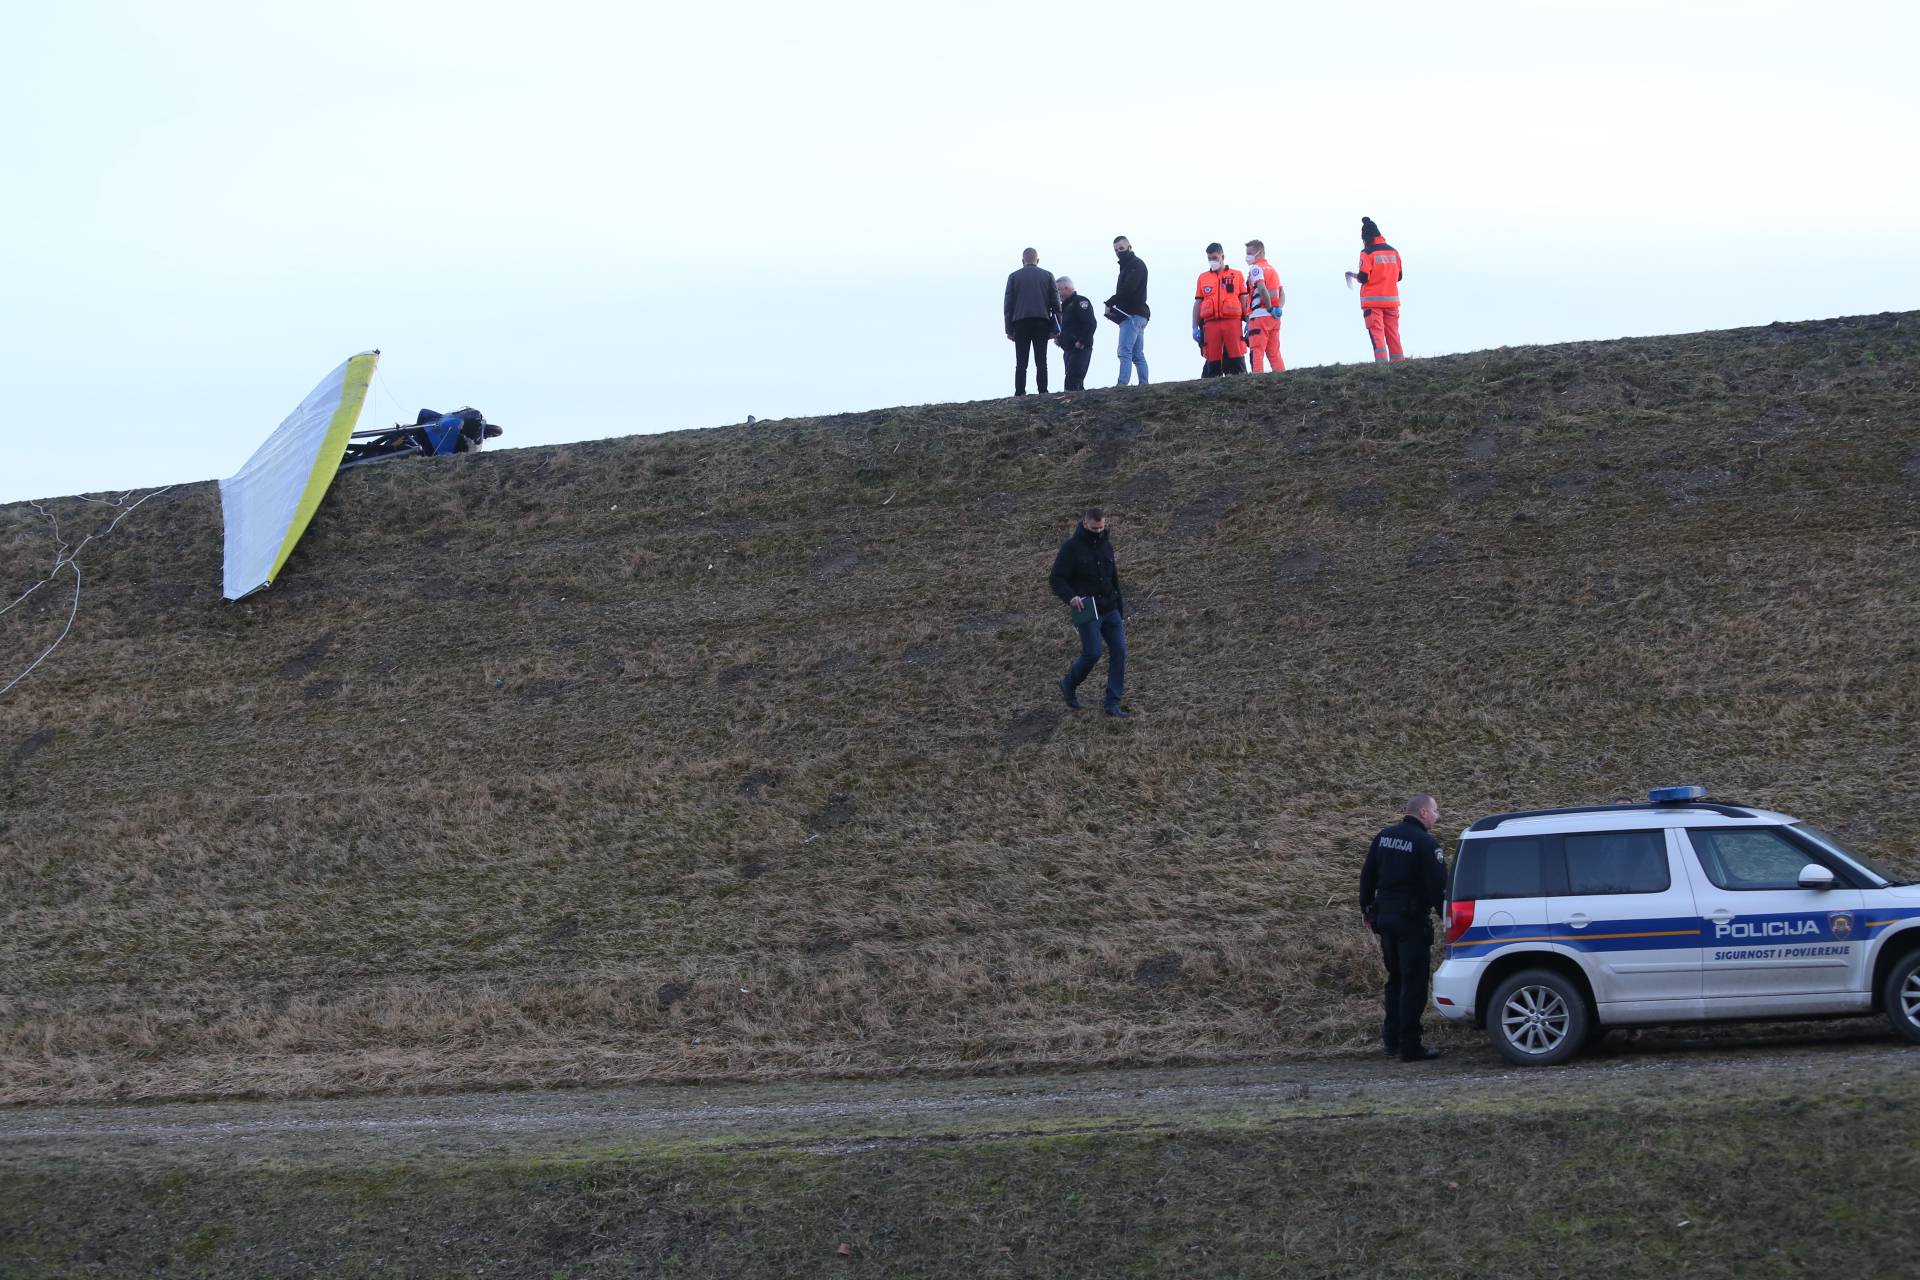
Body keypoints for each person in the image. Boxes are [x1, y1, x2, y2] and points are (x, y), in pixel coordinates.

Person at [1359, 794, 1447, 1062]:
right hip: (1411, 921)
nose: (1437, 815)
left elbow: (1367, 874)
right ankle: (1410, 1046)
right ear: (1422, 813)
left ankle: (1392, 1040)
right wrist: (1448, 918)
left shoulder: (1384, 836)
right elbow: (1438, 887)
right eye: (1435, 811)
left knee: (1395, 979)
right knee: (1414, 982)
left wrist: (1366, 910)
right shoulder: (1425, 843)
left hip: (1385, 919)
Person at [1048, 507, 1129, 718]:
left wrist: (1119, 609)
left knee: (1119, 652)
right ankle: (1069, 683)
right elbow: (1056, 579)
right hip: (1085, 608)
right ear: (1085, 524)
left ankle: (1112, 703)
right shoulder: (1071, 548)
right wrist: (1071, 597)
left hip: (1110, 608)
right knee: (1093, 653)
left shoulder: (1107, 545)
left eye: (1101, 528)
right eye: (1094, 529)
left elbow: (1114, 579)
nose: (1098, 532)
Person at [1344, 216, 1404, 362]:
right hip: (1391, 302)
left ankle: (1381, 367)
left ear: (1365, 238)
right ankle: (1399, 364)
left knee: (1377, 335)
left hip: (1372, 303)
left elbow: (1364, 277)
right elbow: (1399, 276)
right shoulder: (1393, 252)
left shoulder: (1367, 253)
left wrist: (1353, 275)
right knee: (1393, 335)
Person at [1004, 248, 1059, 395]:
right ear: (1038, 260)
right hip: (1042, 322)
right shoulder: (1048, 276)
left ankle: (1020, 392)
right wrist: (1056, 328)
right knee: (1041, 360)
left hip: (1020, 322)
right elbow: (1056, 303)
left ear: (1023, 261)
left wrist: (1009, 329)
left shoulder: (1013, 277)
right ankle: (1043, 391)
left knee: (1021, 362)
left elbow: (1008, 305)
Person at [1191, 243, 1247, 377]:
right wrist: (1194, 326)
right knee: (1212, 360)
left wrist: (1249, 321)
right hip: (1210, 324)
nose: (1212, 261)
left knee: (1237, 358)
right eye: (1209, 258)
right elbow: (1198, 302)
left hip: (1232, 323)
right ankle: (1212, 390)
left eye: (1215, 257)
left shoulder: (1237, 275)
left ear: (1223, 256)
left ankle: (1241, 386)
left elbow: (1244, 300)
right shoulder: (1203, 277)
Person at [1105, 236, 1150, 386]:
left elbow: (1128, 289)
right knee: (1137, 354)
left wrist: (1111, 302)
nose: (1118, 252)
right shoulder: (1131, 265)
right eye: (1116, 250)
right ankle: (1144, 384)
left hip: (1132, 315)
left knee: (1124, 351)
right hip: (1137, 315)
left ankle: (1122, 384)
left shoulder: (1134, 265)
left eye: (1121, 248)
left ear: (1129, 247)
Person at [1243, 239, 1285, 373]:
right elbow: (1282, 292)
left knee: (1257, 351)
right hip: (1274, 318)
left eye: (1250, 253)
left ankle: (1257, 381)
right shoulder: (1273, 270)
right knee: (1274, 352)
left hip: (1260, 316)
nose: (1247, 256)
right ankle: (1282, 379)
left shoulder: (1256, 269)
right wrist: (1278, 309)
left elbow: (1261, 289)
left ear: (1260, 252)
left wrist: (1268, 307)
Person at [1055, 277, 1098, 392]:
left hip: (1080, 349)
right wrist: (1059, 338)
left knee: (1072, 381)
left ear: (1067, 288)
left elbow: (1090, 323)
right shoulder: (1062, 308)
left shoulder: (1080, 302)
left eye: (1058, 290)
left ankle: (1073, 407)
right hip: (1068, 350)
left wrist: (1081, 341)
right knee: (1074, 382)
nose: (1057, 294)